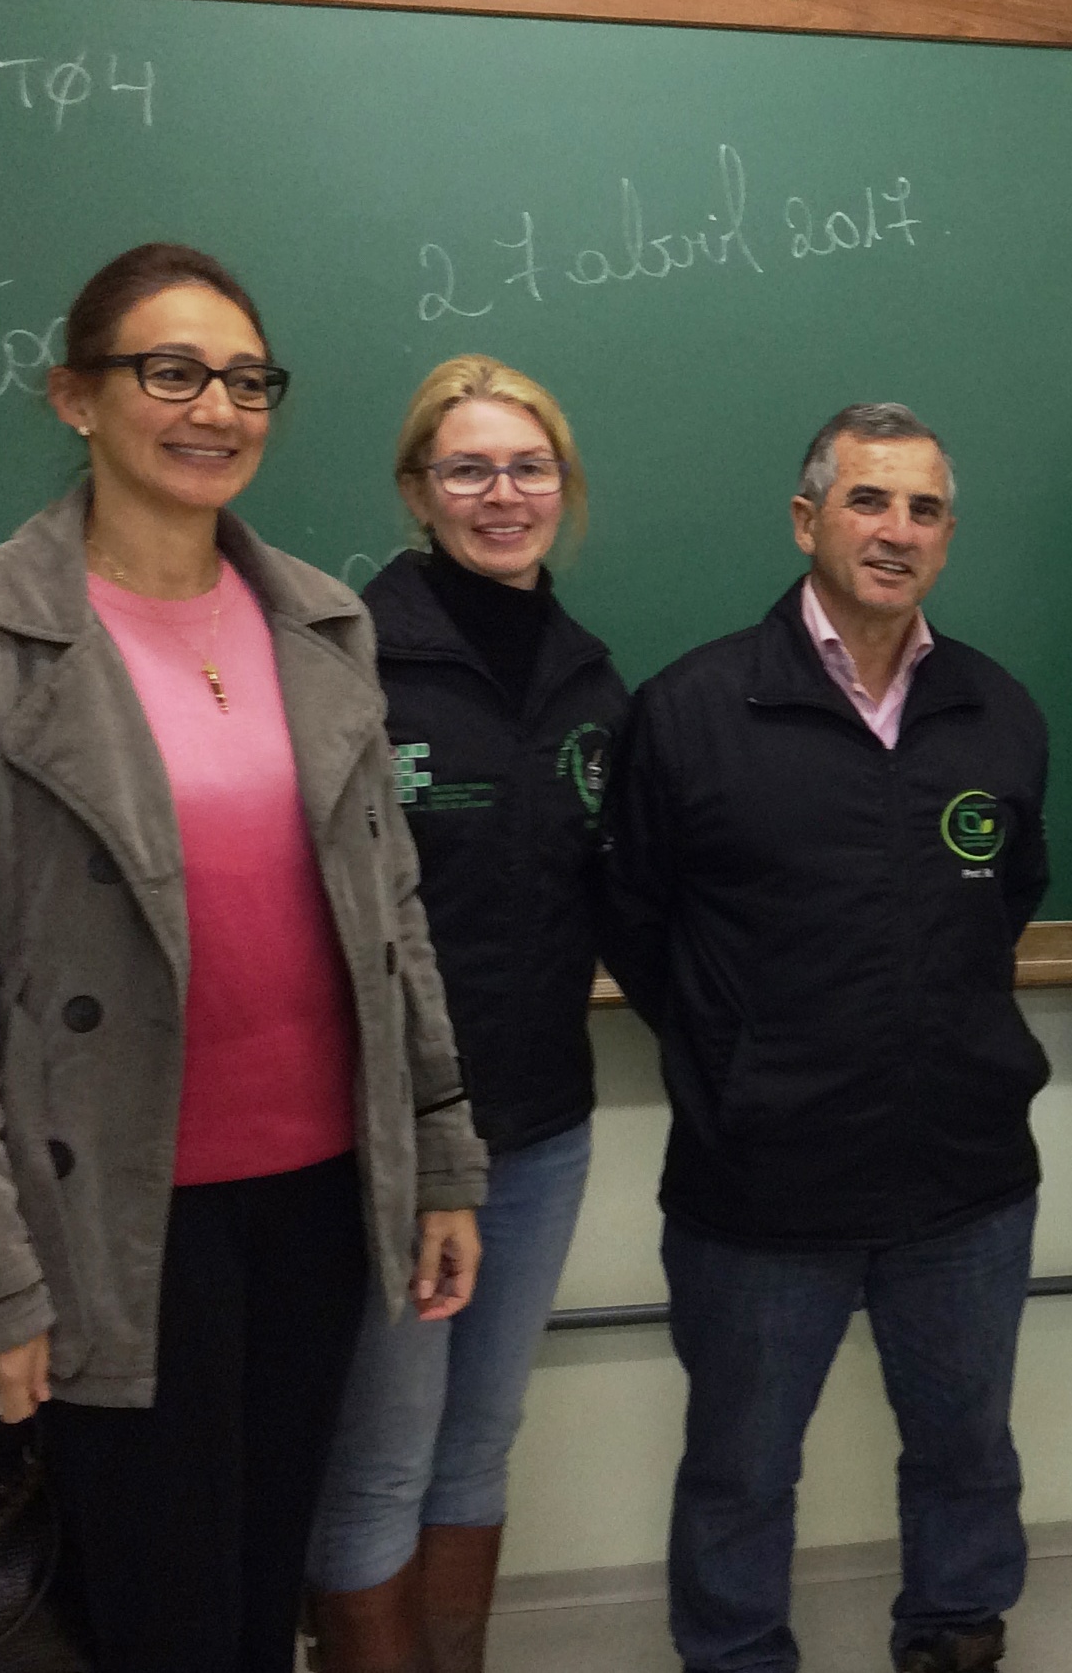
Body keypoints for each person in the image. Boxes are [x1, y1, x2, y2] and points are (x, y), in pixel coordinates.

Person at [0, 242, 488, 1673]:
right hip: (112, 1225)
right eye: (171, 372)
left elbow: (392, 921)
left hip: (317, 1199)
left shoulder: (322, 621)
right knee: (154, 1618)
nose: (217, 408)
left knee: (260, 1594)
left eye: (248, 380)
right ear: (76, 395)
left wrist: (440, 1155)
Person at [602, 403, 1050, 1673]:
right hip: (760, 1185)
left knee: (967, 1451)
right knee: (740, 1470)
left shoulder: (998, 711)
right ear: (807, 520)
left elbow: (1010, 900)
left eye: (923, 509)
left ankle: (954, 1633)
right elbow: (635, 922)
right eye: (868, 500)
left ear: (948, 538)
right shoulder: (692, 709)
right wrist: (745, 1059)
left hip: (964, 1178)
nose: (896, 531)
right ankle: (736, 1652)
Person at [303, 356, 631, 1672]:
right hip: (390, 1136)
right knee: (383, 1454)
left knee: (480, 1438)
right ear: (417, 490)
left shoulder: (591, 679)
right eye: (469, 469)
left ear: (566, 485)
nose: (504, 495)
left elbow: (624, 893)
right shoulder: (349, 658)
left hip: (543, 1127)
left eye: (529, 467)